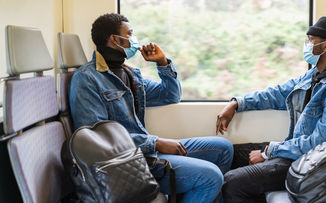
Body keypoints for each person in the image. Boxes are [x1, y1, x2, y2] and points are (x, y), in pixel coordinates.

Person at [70, 13, 233, 203]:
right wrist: (154, 143)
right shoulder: (87, 79)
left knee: (224, 149)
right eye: (129, 34)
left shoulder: (130, 74)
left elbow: (170, 95)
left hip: (146, 150)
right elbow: (97, 143)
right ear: (115, 39)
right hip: (128, 162)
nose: (134, 40)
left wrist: (162, 63)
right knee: (211, 176)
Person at [216, 16, 326, 202]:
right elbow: (279, 93)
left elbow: (322, 146)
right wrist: (238, 103)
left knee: (232, 183)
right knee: (225, 154)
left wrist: (268, 152)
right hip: (296, 153)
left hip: (314, 165)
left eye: (311, 40)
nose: (306, 45)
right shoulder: (315, 75)